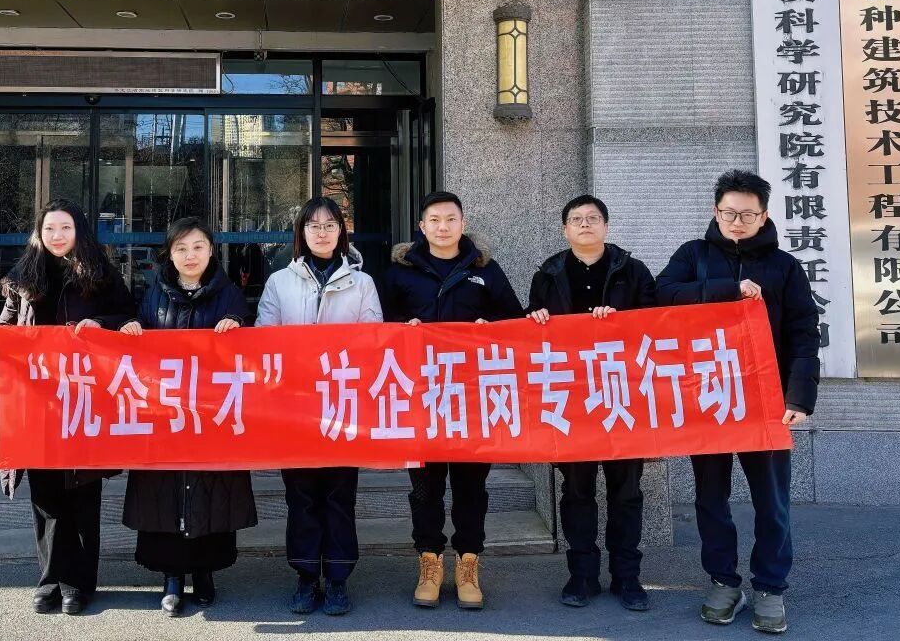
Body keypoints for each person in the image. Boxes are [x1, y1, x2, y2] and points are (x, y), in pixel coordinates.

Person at [656, 170, 820, 635]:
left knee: (772, 501)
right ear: (716, 211)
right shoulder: (693, 255)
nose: (737, 222)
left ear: (764, 216)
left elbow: (804, 333)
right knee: (711, 498)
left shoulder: (785, 266)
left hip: (766, 402)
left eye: (747, 214)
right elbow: (661, 296)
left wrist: (799, 396)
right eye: (729, 213)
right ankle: (723, 581)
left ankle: (770, 587)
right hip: (708, 397)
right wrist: (727, 291)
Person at [0, 198, 137, 617]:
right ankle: (49, 580)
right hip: (38, 402)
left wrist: (101, 325)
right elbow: (7, 329)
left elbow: (129, 317)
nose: (57, 235)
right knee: (46, 496)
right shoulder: (22, 278)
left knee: (83, 495)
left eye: (65, 227)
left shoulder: (101, 274)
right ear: (39, 233)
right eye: (49, 228)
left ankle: (79, 584)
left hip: (86, 400)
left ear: (79, 231)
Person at [381, 190, 523, 611]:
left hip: (471, 398)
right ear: (421, 227)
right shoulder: (400, 272)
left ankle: (468, 562)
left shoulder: (485, 269)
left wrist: (488, 326)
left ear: (463, 224)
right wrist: (401, 328)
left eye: (450, 219)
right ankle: (429, 562)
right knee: (425, 489)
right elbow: (376, 326)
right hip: (419, 397)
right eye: (434, 220)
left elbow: (514, 322)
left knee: (471, 487)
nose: (443, 227)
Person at [118, 216, 257, 616]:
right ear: (170, 253)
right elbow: (137, 344)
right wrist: (131, 328)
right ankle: (172, 577)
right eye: (181, 248)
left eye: (198, 247)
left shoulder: (230, 295)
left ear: (211, 251)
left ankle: (205, 572)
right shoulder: (152, 294)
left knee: (209, 491)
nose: (190, 255)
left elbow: (250, 347)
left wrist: (238, 326)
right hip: (165, 415)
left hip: (212, 416)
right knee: (165, 493)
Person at [526, 194, 657, 612]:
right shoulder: (548, 273)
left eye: (593, 218)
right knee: (577, 491)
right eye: (577, 219)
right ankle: (581, 575)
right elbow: (531, 329)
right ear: (565, 229)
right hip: (571, 402)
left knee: (626, 491)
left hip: (622, 396)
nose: (585, 224)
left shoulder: (633, 271)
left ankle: (627, 577)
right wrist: (535, 318)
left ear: (606, 226)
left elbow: (656, 324)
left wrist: (621, 320)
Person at [257, 196, 384, 617]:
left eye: (330, 225)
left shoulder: (362, 283)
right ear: (302, 232)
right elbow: (265, 339)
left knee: (339, 496)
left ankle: (339, 580)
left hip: (342, 405)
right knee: (301, 497)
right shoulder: (280, 282)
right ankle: (306, 576)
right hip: (294, 407)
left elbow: (373, 340)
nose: (322, 232)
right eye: (313, 225)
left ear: (342, 231)